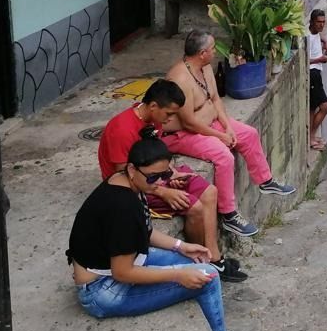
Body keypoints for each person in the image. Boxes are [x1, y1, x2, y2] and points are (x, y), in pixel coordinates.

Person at [68, 128, 251, 331]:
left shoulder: (124, 181)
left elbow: (144, 232)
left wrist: (181, 246)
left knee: (196, 262)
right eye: (153, 177)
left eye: (165, 175)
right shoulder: (122, 208)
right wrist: (177, 274)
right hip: (102, 291)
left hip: (120, 264)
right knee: (208, 278)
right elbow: (122, 273)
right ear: (132, 168)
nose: (159, 183)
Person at [97, 79, 247, 282]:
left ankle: (214, 259)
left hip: (156, 176)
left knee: (210, 192)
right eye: (169, 113)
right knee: (194, 207)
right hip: (134, 188)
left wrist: (171, 174)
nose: (171, 119)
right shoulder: (122, 129)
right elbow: (125, 174)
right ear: (153, 106)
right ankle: (199, 264)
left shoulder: (154, 119)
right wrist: (163, 190)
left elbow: (157, 155)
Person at [165, 30, 297, 239]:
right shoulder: (180, 78)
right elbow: (189, 123)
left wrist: (227, 127)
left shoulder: (205, 68)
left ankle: (265, 180)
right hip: (182, 134)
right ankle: (229, 214)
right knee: (223, 156)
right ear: (201, 53)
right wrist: (220, 137)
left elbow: (216, 99)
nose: (215, 51)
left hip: (211, 123)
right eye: (212, 49)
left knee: (249, 134)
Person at [306, 9, 327, 151]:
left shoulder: (315, 34)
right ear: (312, 22)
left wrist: (325, 40)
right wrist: (319, 59)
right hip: (312, 73)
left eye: (323, 22)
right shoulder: (307, 37)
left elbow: (317, 35)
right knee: (325, 106)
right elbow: (304, 60)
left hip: (317, 73)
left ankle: (311, 137)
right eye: (319, 22)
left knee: (312, 108)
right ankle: (311, 136)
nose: (321, 25)